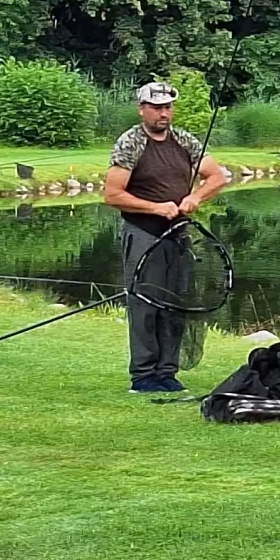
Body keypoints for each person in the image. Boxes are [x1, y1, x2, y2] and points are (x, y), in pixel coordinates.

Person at [103, 80, 230, 395]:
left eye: (168, 107)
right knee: (145, 305)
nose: (163, 113)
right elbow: (112, 194)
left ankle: (167, 372)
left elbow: (216, 176)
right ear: (142, 109)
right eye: (156, 107)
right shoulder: (130, 143)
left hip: (179, 235)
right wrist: (155, 208)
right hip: (143, 234)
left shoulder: (185, 141)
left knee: (175, 305)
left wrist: (196, 199)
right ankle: (143, 376)